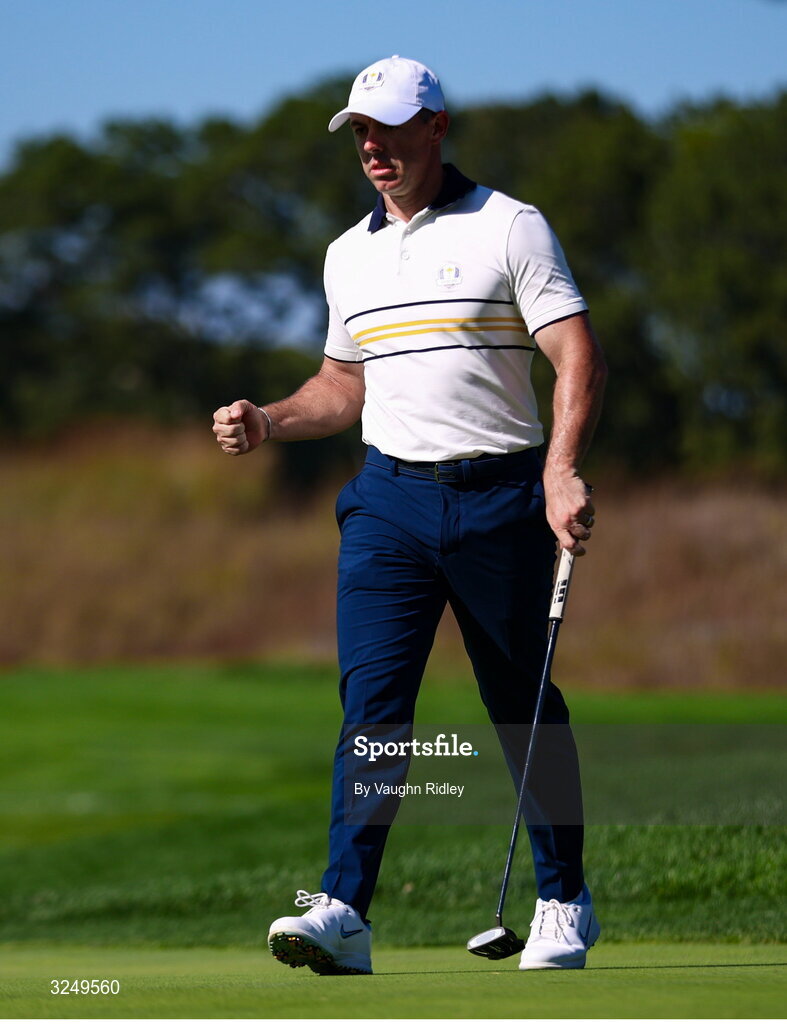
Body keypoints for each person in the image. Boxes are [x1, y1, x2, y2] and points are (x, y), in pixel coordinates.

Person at [213, 55, 607, 975]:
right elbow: (342, 384)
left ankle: (561, 899)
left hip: (502, 493)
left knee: (519, 704)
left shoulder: (509, 225)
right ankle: (344, 910)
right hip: (387, 500)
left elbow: (575, 354)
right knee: (373, 709)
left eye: (387, 128)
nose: (371, 147)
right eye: (359, 131)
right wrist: (271, 420)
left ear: (435, 126)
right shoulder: (346, 252)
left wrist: (559, 472)